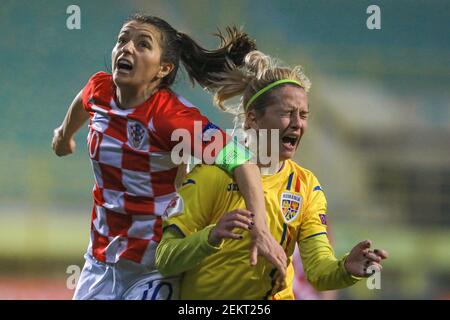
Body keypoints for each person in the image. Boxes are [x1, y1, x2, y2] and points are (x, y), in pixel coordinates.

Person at [51, 14, 286, 300]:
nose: (126, 48)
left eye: (142, 44)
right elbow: (82, 101)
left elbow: (242, 162)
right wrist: (64, 135)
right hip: (100, 261)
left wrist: (260, 228)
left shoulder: (170, 118)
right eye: (122, 40)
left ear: (163, 68)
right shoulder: (98, 91)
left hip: (154, 266)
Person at [155, 51, 389, 299]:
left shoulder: (305, 186)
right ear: (253, 119)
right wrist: (211, 237)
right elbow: (166, 258)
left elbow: (319, 272)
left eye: (304, 114)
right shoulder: (212, 175)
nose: (298, 123)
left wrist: (345, 268)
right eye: (287, 113)